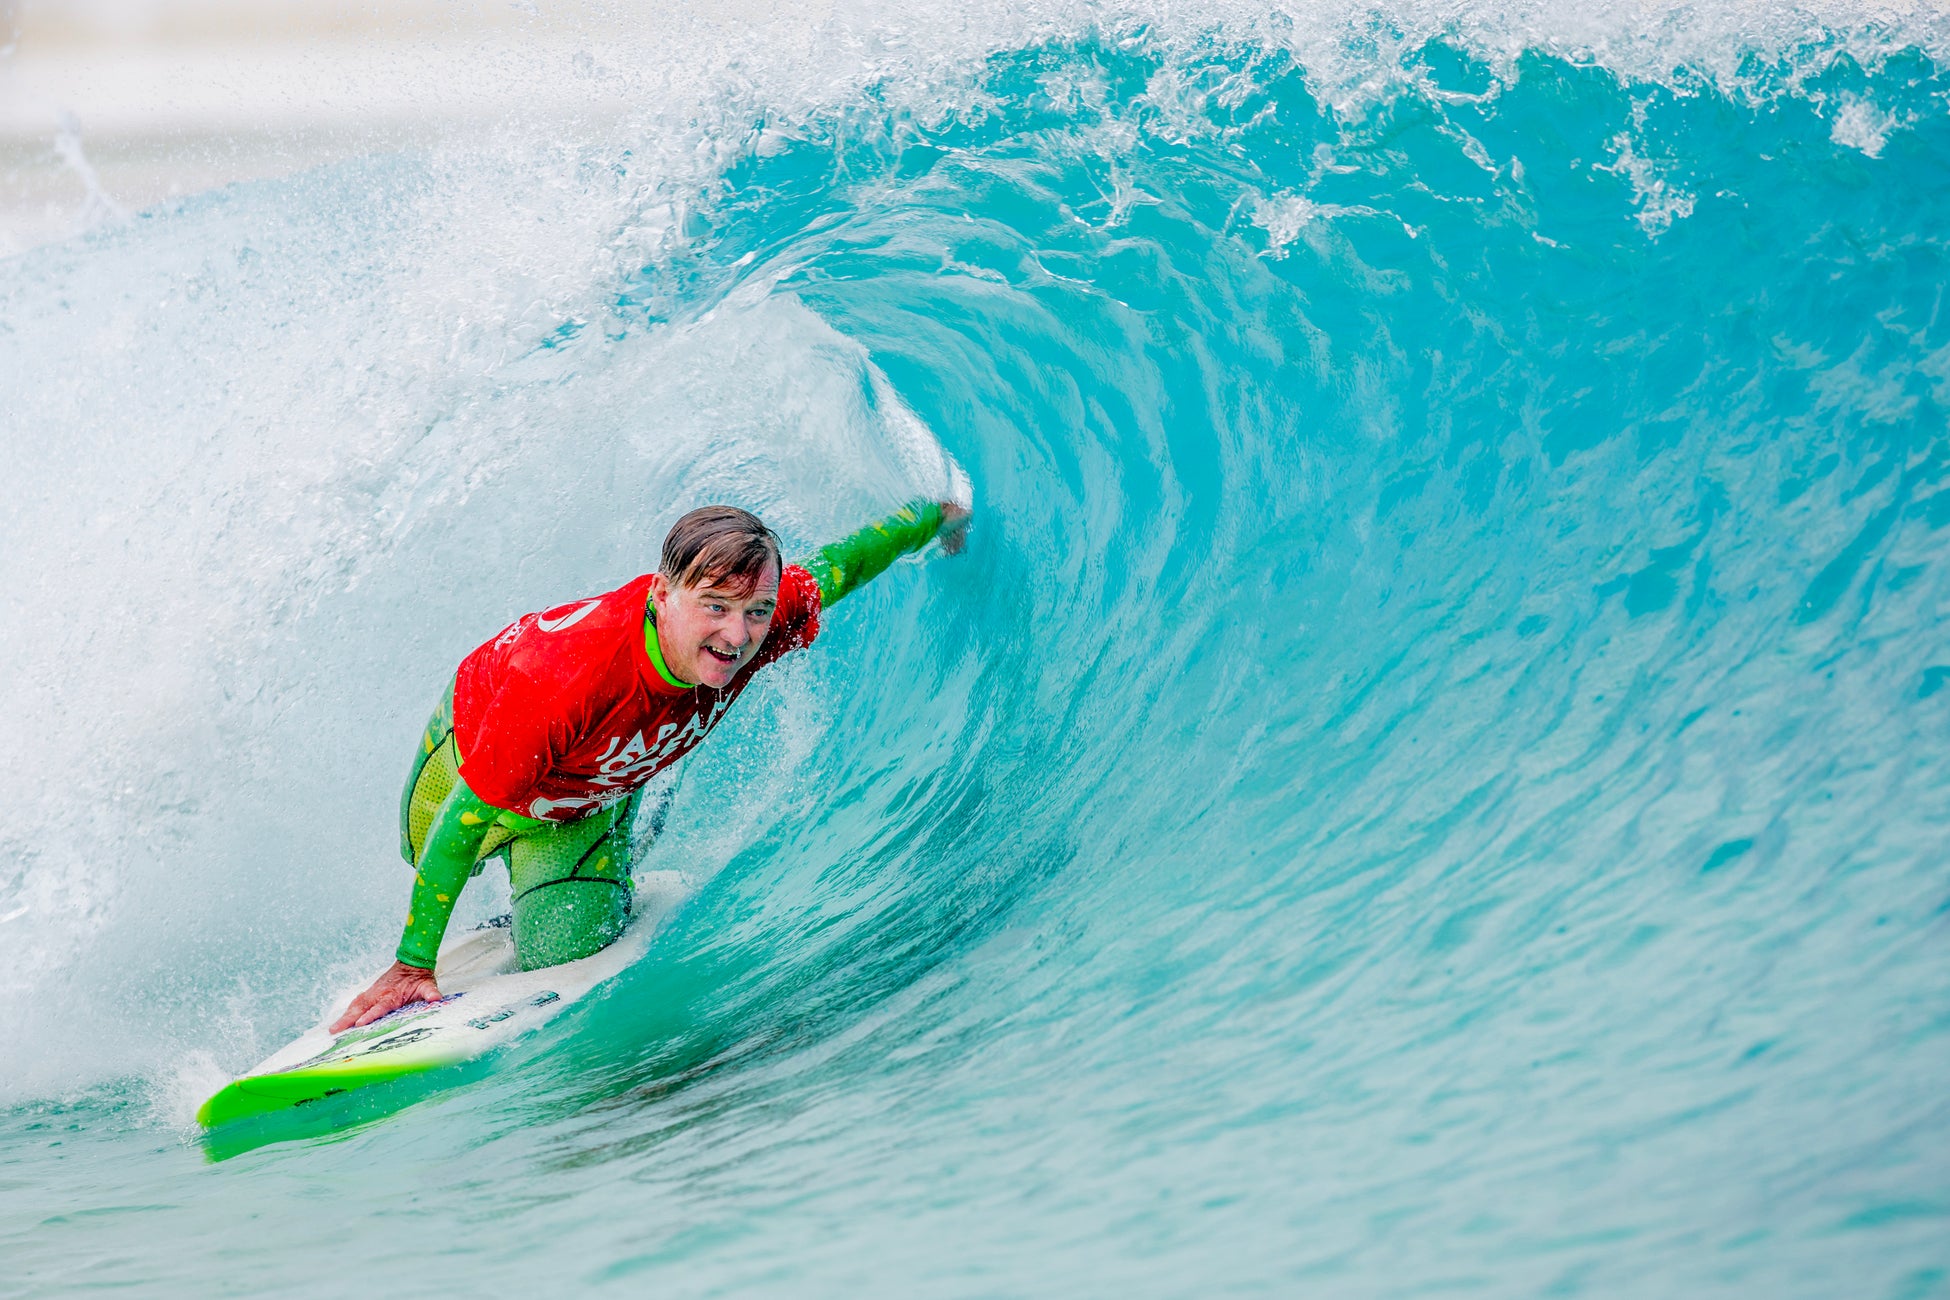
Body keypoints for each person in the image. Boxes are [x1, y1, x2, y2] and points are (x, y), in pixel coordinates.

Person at [330, 498, 970, 1033]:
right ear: (663, 594)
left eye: (755, 611)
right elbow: (461, 822)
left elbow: (846, 562)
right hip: (475, 744)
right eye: (715, 606)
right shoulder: (564, 682)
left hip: (583, 800)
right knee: (430, 856)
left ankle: (556, 878)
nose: (738, 634)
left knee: (568, 956)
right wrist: (413, 964)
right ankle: (521, 882)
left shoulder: (765, 623)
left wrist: (937, 517)